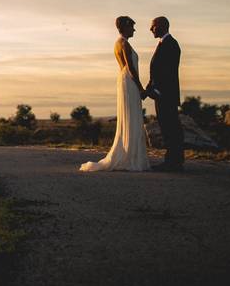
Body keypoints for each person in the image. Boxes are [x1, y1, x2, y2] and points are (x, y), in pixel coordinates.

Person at [79, 16, 150, 172]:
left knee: (130, 116)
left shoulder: (118, 43)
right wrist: (141, 88)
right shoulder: (123, 43)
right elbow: (131, 68)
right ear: (125, 27)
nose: (134, 30)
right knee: (131, 116)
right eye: (132, 27)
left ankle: (129, 152)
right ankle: (130, 156)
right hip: (129, 81)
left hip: (123, 80)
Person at [145, 16, 184, 171]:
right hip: (160, 95)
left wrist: (156, 91)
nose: (150, 29)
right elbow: (155, 72)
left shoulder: (171, 45)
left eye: (153, 26)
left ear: (161, 26)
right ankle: (172, 160)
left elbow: (167, 73)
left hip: (166, 96)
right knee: (167, 128)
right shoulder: (163, 44)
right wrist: (148, 89)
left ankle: (174, 162)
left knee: (171, 128)